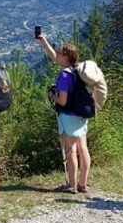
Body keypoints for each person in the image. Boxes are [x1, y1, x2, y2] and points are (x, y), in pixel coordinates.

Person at [36, 35, 92, 194]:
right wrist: (43, 41)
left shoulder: (64, 75)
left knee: (70, 149)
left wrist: (53, 96)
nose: (57, 54)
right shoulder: (78, 71)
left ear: (66, 57)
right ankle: (82, 184)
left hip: (68, 116)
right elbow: (54, 57)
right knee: (83, 148)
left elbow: (62, 101)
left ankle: (71, 185)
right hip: (81, 115)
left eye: (60, 52)